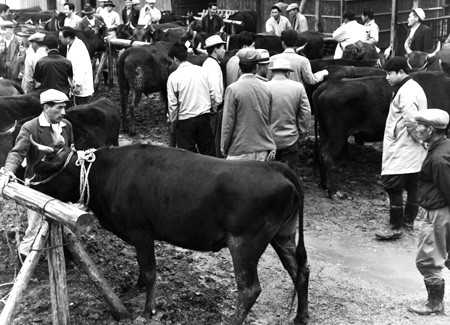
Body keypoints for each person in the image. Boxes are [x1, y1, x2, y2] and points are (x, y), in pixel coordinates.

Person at [0, 89, 73, 262]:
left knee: (61, 222)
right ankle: (25, 260)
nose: (64, 112)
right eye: (59, 108)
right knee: (35, 227)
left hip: (62, 185)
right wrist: (9, 171)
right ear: (46, 107)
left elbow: (71, 151)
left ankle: (58, 256)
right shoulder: (30, 127)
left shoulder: (67, 126)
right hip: (37, 184)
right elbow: (17, 153)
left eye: (64, 108)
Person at [375, 57, 428, 240]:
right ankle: (407, 223)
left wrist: (420, 140)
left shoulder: (407, 92)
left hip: (404, 145)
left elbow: (412, 121)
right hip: (411, 148)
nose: (387, 78)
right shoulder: (412, 87)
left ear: (401, 72)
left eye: (389, 74)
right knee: (413, 185)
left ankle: (394, 226)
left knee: (393, 185)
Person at [408, 109, 450, 316]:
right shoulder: (444, 147)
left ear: (430, 129)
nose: (416, 129)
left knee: (428, 259)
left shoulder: (439, 158)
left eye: (420, 125)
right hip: (443, 210)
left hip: (439, 213)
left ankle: (434, 304)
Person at [221, 49, 276, 161]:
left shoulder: (233, 89)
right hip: (263, 149)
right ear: (256, 67)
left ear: (239, 67)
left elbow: (228, 122)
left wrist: (224, 146)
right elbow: (269, 120)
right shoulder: (266, 88)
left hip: (240, 149)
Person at [166, 42, 215, 156]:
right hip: (203, 118)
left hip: (185, 121)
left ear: (175, 59)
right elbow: (212, 93)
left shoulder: (173, 78)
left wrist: (173, 122)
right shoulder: (202, 71)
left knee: (187, 157)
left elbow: (173, 105)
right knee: (208, 154)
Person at [266, 57, 310, 170]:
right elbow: (305, 111)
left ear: (272, 71)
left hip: (268, 140)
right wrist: (302, 131)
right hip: (290, 139)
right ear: (288, 73)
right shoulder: (298, 87)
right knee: (288, 174)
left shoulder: (264, 87)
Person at [202, 34, 226, 158]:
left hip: (212, 107)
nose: (224, 50)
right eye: (222, 47)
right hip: (215, 109)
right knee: (215, 139)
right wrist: (215, 105)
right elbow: (213, 88)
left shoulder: (211, 63)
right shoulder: (212, 66)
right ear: (215, 49)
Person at [59, 27, 94, 105]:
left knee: (82, 107)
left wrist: (78, 85)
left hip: (81, 85)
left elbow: (80, 68)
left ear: (68, 38)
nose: (60, 39)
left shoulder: (78, 48)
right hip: (75, 83)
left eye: (61, 37)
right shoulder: (71, 44)